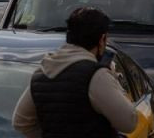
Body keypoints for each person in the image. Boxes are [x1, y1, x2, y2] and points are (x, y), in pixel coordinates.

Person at [12, 7, 138, 137]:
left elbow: (20, 122)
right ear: (102, 39)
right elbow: (129, 122)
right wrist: (114, 80)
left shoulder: (42, 73)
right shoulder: (96, 75)